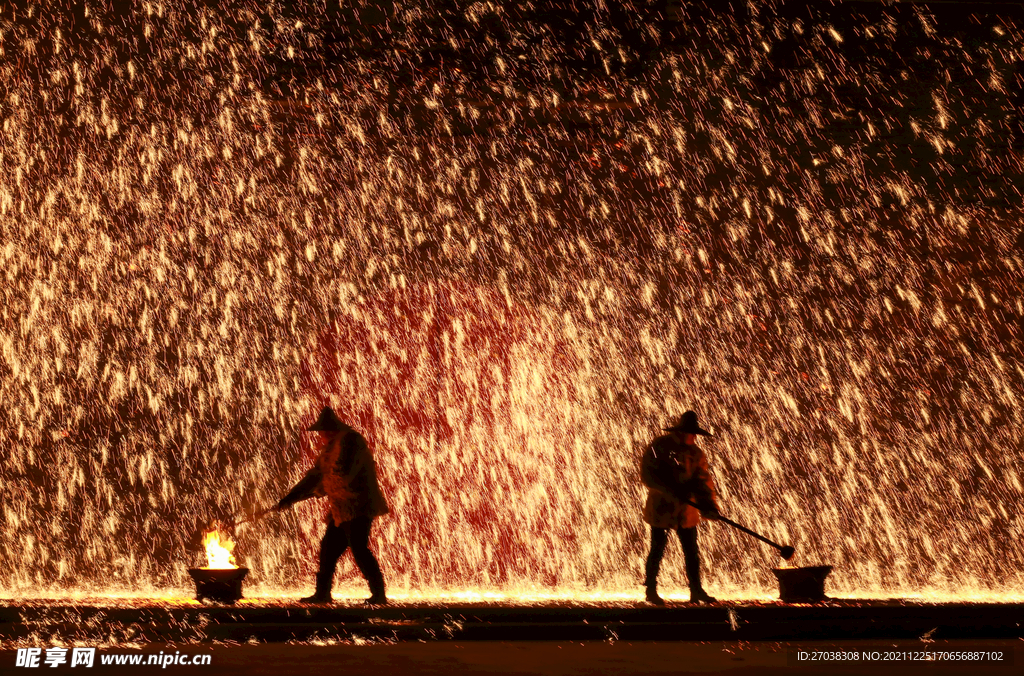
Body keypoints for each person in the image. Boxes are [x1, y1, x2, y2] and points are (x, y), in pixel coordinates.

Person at [274, 406, 390, 605]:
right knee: (328, 548)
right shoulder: (331, 446)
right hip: (341, 509)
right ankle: (323, 593)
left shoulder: (351, 442)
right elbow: (316, 475)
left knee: (359, 549)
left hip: (359, 505)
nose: (321, 435)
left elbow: (341, 474)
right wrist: (290, 497)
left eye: (322, 431)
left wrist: (316, 490)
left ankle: (379, 594)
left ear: (331, 429)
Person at [640, 410, 721, 605]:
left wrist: (709, 506)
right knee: (657, 549)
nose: (693, 437)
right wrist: (667, 490)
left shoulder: (696, 453)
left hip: (686, 511)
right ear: (681, 431)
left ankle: (696, 590)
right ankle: (650, 589)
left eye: (695, 433)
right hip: (661, 508)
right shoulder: (659, 446)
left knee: (692, 551)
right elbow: (647, 474)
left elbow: (703, 482)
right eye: (691, 433)